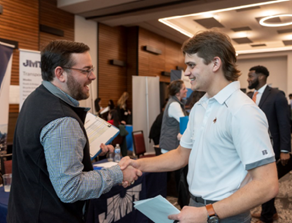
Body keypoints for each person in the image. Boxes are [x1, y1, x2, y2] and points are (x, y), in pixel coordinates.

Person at [120, 30, 278, 223]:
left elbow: (267, 184)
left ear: (215, 64)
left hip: (226, 213)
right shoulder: (200, 107)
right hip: (196, 206)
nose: (186, 72)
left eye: (192, 65)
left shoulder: (243, 111)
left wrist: (207, 212)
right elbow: (181, 155)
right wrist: (140, 164)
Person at [7, 40, 141, 223]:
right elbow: (70, 188)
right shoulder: (62, 120)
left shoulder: (35, 99)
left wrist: (86, 151)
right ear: (60, 73)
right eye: (86, 70)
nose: (93, 76)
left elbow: (43, 158)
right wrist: (119, 173)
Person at [247, 65, 291, 223]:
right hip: (254, 146)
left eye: (251, 76)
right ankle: (270, 212)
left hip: (271, 147)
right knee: (262, 180)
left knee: (266, 182)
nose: (248, 79)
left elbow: (284, 123)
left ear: (261, 77)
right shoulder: (250, 95)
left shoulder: (277, 95)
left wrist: (285, 150)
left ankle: (267, 217)